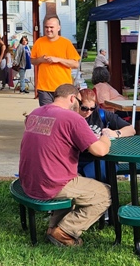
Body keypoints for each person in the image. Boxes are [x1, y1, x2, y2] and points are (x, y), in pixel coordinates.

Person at [19, 84, 112, 247]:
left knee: (76, 180)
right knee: (105, 193)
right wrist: (106, 137)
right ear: (72, 98)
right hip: (51, 184)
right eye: (79, 102)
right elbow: (100, 151)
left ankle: (53, 227)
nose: (80, 106)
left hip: (29, 181)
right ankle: (65, 232)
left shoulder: (36, 113)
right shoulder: (72, 118)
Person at [77, 88, 135, 180]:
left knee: (106, 166)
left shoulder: (101, 114)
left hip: (99, 160)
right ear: (77, 104)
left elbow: (131, 129)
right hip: (78, 160)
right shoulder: (71, 117)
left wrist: (115, 133)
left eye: (92, 108)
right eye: (84, 108)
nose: (88, 112)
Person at [30, 15, 81, 106]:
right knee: (47, 113)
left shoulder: (66, 43)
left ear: (58, 28)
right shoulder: (39, 42)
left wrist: (58, 60)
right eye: (46, 27)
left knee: (62, 112)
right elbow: (32, 61)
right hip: (44, 88)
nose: (48, 30)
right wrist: (41, 59)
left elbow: (75, 64)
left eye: (51, 27)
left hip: (63, 89)